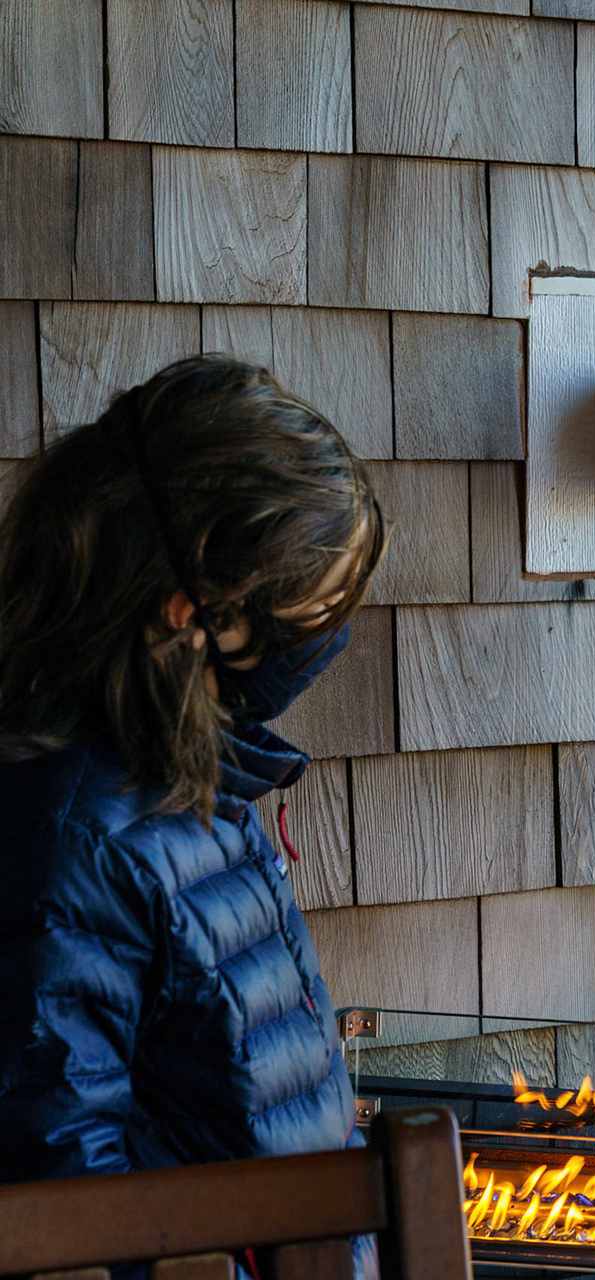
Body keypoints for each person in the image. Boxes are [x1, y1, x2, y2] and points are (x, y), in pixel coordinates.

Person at [0, 357, 385, 1192]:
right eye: (314, 613)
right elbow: (68, 1195)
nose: (326, 640)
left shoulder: (188, 780)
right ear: (194, 614)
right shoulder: (75, 846)